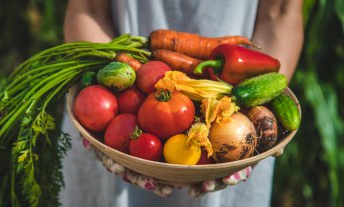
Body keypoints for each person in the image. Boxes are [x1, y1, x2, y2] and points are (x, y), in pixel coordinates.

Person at [60, 0, 304, 207]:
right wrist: (102, 139)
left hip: (231, 141)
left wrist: (265, 113)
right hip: (116, 118)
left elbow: (282, 12)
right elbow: (89, 9)